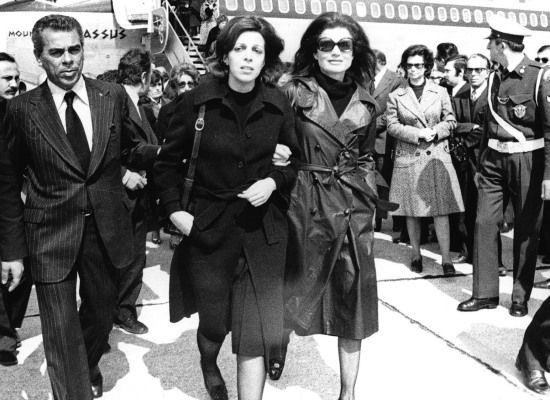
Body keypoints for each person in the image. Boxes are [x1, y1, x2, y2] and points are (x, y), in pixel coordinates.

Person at [0, 14, 150, 399]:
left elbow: (132, 149)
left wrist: (179, 151)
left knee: (100, 314)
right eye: (56, 53)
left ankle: (86, 363)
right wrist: (12, 251)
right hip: (50, 234)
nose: (68, 59)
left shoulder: (110, 96)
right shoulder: (22, 110)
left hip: (105, 229)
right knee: (60, 331)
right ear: (39, 57)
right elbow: (7, 182)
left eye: (74, 49)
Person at [154, 15, 298, 400]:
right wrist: (176, 213)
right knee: (215, 323)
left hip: (261, 231)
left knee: (252, 327)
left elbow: (295, 163)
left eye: (257, 50)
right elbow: (166, 165)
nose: (248, 57)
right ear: (225, 56)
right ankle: (208, 362)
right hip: (210, 230)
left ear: (265, 59)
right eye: (240, 49)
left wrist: (273, 181)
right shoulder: (197, 103)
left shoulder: (278, 105)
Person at [282, 12, 394, 400]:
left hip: (352, 209)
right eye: (326, 44)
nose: (335, 51)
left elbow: (366, 156)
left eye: (344, 44)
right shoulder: (293, 92)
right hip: (305, 204)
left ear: (354, 52)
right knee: (293, 288)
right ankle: (278, 343)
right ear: (313, 51)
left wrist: (366, 201)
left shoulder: (367, 103)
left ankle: (348, 393)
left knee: (353, 300)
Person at [457, 15, 550, 317]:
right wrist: (483, 163)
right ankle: (484, 293)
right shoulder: (495, 77)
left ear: (502, 45)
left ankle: (520, 297)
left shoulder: (539, 77)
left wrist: (548, 175)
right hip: (494, 161)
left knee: (526, 229)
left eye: (492, 44)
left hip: (528, 161)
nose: (489, 49)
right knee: (483, 223)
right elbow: (489, 125)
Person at [386, 44, 463, 275]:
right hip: (410, 156)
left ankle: (446, 260)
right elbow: (392, 126)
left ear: (427, 67)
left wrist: (436, 131)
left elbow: (451, 121)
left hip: (436, 156)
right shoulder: (396, 96)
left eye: (418, 65)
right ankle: (416, 254)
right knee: (412, 211)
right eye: (409, 65)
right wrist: (417, 133)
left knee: (440, 211)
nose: (413, 70)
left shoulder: (440, 92)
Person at [115, 48, 162, 336]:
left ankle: (123, 310)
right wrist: (123, 174)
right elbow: (103, 149)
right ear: (144, 76)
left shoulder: (138, 106)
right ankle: (117, 313)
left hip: (138, 197)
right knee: (120, 259)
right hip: (119, 196)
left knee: (135, 257)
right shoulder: (116, 102)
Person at [0, 52, 33, 368]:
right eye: (6, 78)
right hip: (7, 205)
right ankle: (5, 338)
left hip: (20, 207)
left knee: (23, 272)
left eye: (16, 77)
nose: (14, 83)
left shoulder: (19, 113)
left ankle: (9, 329)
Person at [372, 49, 404, 232]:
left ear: (379, 61)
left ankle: (395, 221)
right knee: (375, 181)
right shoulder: (366, 79)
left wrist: (370, 127)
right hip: (368, 140)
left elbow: (393, 111)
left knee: (387, 181)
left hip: (385, 140)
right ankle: (376, 220)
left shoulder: (396, 80)